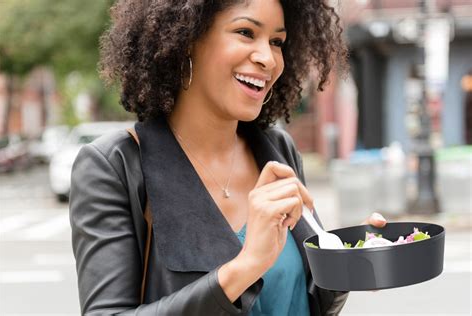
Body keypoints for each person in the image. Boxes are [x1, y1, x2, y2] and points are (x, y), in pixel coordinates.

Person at [70, 0, 388, 315]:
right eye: (246, 32)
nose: (268, 58)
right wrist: (245, 267)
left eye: (277, 42)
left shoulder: (277, 151)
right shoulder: (114, 167)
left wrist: (345, 265)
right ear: (187, 39)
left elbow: (303, 301)